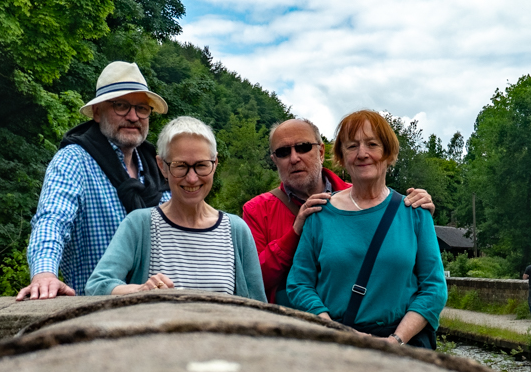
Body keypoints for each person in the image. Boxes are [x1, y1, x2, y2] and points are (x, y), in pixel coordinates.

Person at [287, 110, 447, 349]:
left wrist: (396, 340)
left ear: (389, 153)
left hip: (405, 347)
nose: (362, 154)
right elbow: (299, 284)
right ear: (342, 157)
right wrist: (334, 331)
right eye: (352, 146)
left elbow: (434, 287)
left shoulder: (415, 212)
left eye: (372, 144)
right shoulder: (320, 214)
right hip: (335, 344)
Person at [17, 62, 170, 300]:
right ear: (97, 112)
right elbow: (52, 219)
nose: (133, 116)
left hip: (162, 313)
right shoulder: (74, 160)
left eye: (142, 108)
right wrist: (44, 274)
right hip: (95, 315)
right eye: (120, 105)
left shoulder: (160, 168)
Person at [242, 118, 434, 304]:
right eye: (283, 152)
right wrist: (294, 234)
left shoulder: (364, 200)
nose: (294, 158)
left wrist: (415, 219)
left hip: (354, 321)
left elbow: (401, 264)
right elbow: (251, 280)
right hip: (284, 328)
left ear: (321, 151)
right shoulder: (258, 209)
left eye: (303, 147)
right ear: (274, 160)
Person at [86, 117, 266, 301]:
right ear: (162, 166)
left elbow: (258, 305)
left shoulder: (236, 230)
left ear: (215, 164)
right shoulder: (139, 225)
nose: (192, 178)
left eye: (201, 165)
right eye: (180, 166)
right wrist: (140, 290)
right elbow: (97, 285)